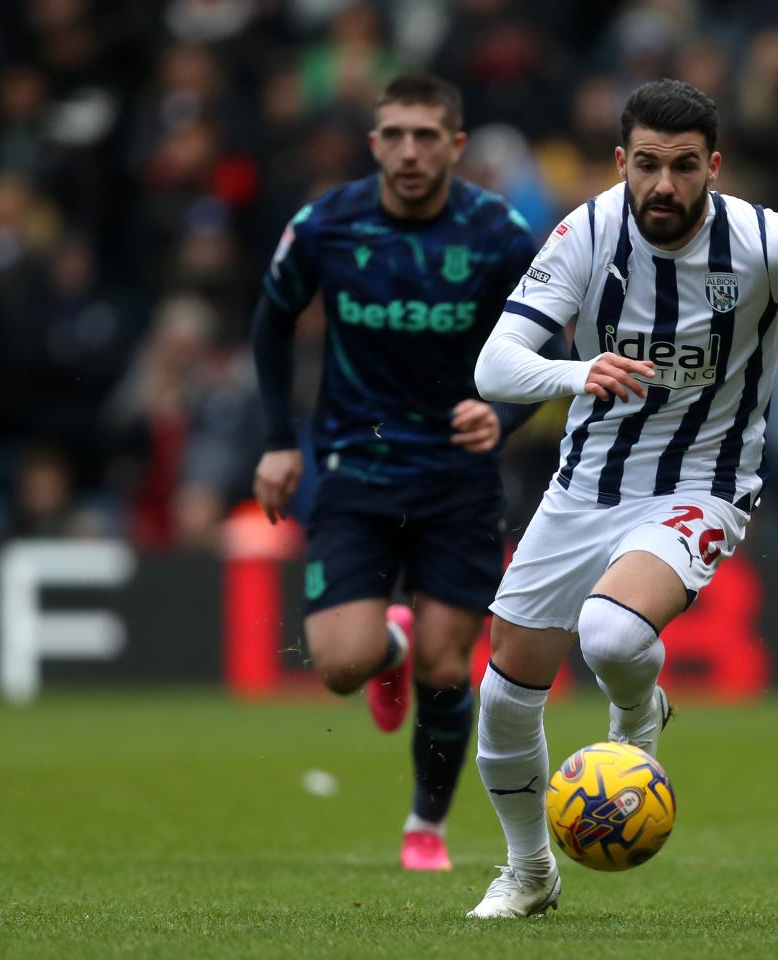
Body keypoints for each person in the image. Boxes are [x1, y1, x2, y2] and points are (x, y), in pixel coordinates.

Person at [466, 78, 778, 918]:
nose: (661, 185)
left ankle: (637, 711)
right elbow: (496, 365)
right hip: (583, 485)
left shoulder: (765, 242)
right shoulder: (585, 232)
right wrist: (575, 371)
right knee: (503, 699)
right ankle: (529, 873)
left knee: (611, 631)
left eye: (680, 167)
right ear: (620, 163)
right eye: (644, 166)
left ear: (713, 166)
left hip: (702, 485)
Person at [250, 74, 542, 872]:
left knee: (449, 670)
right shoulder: (326, 225)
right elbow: (271, 321)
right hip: (356, 467)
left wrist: (507, 415)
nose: (408, 151)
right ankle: (387, 644)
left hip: (459, 476)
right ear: (373, 142)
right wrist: (279, 441)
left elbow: (548, 340)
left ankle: (427, 827)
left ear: (455, 145)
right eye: (394, 135)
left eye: (425, 136)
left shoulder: (500, 235)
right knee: (341, 665)